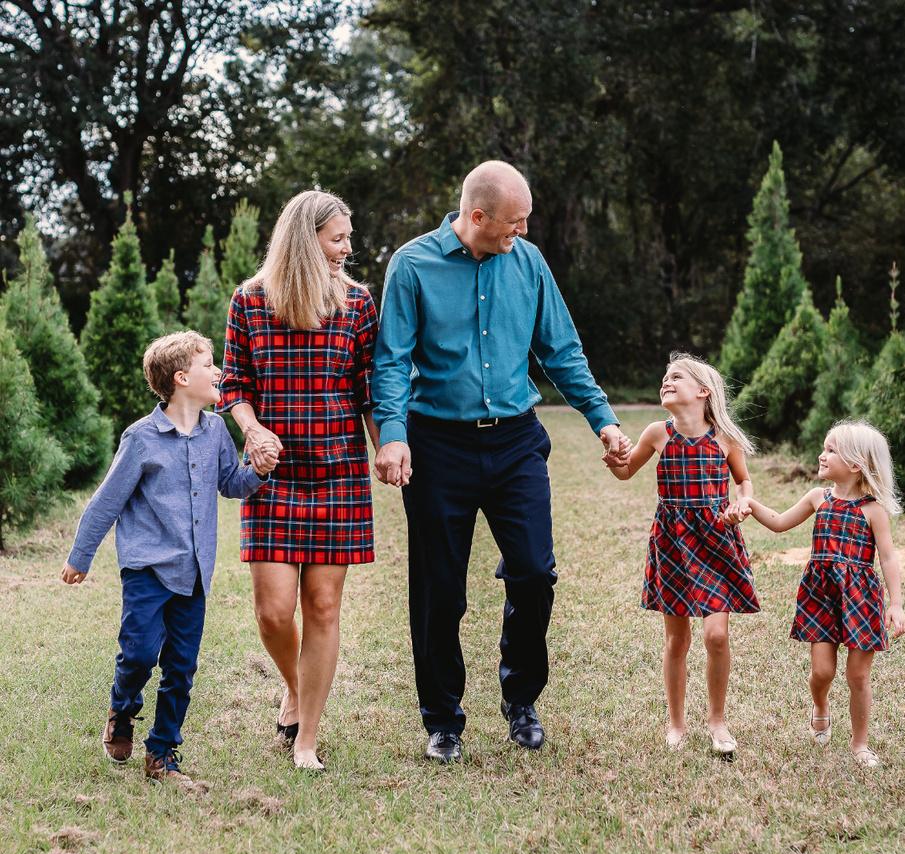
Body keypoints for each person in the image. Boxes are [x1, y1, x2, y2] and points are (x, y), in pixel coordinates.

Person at [372, 160, 631, 763]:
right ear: (478, 215)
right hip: (437, 445)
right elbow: (391, 360)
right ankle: (443, 720)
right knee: (440, 590)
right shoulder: (412, 265)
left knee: (535, 572)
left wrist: (604, 419)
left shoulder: (529, 262)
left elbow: (561, 350)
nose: (523, 231)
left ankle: (521, 699)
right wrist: (392, 434)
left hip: (516, 442)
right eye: (514, 222)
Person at [60, 330, 273, 788]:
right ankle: (122, 709)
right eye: (208, 364)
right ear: (181, 378)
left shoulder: (216, 431)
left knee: (181, 667)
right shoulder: (141, 438)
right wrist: (81, 556)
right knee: (138, 653)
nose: (218, 371)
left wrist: (257, 471)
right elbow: (106, 502)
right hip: (147, 569)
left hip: (194, 572)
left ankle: (162, 753)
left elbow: (230, 484)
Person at [217, 189, 379, 771]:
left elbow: (368, 388)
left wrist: (386, 447)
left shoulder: (357, 303)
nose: (348, 248)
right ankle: (294, 684)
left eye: (348, 237)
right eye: (338, 238)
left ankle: (306, 737)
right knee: (273, 611)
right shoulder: (250, 301)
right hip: (273, 474)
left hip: (338, 472)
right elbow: (234, 383)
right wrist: (252, 428)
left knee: (323, 606)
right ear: (305, 241)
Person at [730, 420, 905, 767]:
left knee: (858, 676)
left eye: (830, 450)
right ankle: (820, 705)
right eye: (823, 448)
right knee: (823, 671)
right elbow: (779, 522)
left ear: (855, 464)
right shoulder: (818, 498)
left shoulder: (873, 510)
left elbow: (888, 558)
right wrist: (750, 504)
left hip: (860, 599)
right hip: (821, 595)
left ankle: (860, 744)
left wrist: (896, 604)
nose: (821, 455)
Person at [608, 352, 758, 755]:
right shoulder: (658, 433)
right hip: (672, 542)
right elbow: (625, 471)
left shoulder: (725, 439)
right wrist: (614, 460)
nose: (666, 381)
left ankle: (718, 721)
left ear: (703, 391)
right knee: (677, 640)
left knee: (717, 635)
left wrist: (742, 503)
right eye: (665, 377)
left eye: (676, 377)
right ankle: (676, 724)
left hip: (716, 539)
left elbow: (744, 481)